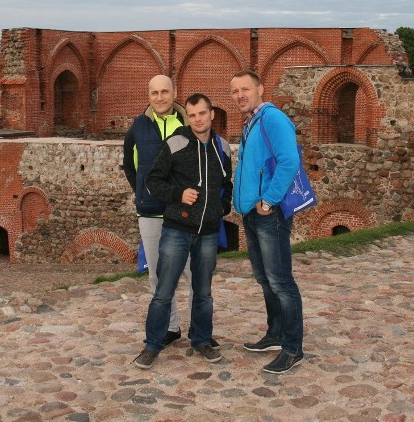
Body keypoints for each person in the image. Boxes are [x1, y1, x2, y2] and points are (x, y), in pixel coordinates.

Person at [132, 93, 233, 369]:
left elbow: (227, 183)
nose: (198, 119)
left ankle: (201, 339)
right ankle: (152, 345)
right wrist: (178, 193)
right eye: (192, 115)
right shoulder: (175, 142)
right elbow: (153, 180)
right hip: (177, 229)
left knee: (203, 291)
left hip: (209, 232)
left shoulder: (222, 146)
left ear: (212, 114)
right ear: (187, 117)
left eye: (202, 113)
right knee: (164, 289)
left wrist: (221, 208)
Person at [230, 69, 305, 374]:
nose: (240, 96)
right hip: (252, 213)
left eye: (245, 89)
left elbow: (289, 161)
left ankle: (292, 348)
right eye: (234, 91)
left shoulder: (273, 119)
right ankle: (275, 334)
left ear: (260, 88)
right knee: (264, 279)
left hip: (268, 215)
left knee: (281, 281)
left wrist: (269, 200)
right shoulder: (252, 122)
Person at [122, 74, 190, 347]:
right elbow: (130, 165)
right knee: (157, 275)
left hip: (184, 212)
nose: (160, 98)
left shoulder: (188, 124)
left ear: (174, 93)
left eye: (165, 92)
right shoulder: (138, 127)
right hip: (150, 213)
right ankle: (170, 327)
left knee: (192, 272)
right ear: (148, 95)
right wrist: (143, 193)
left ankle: (199, 330)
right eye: (154, 93)